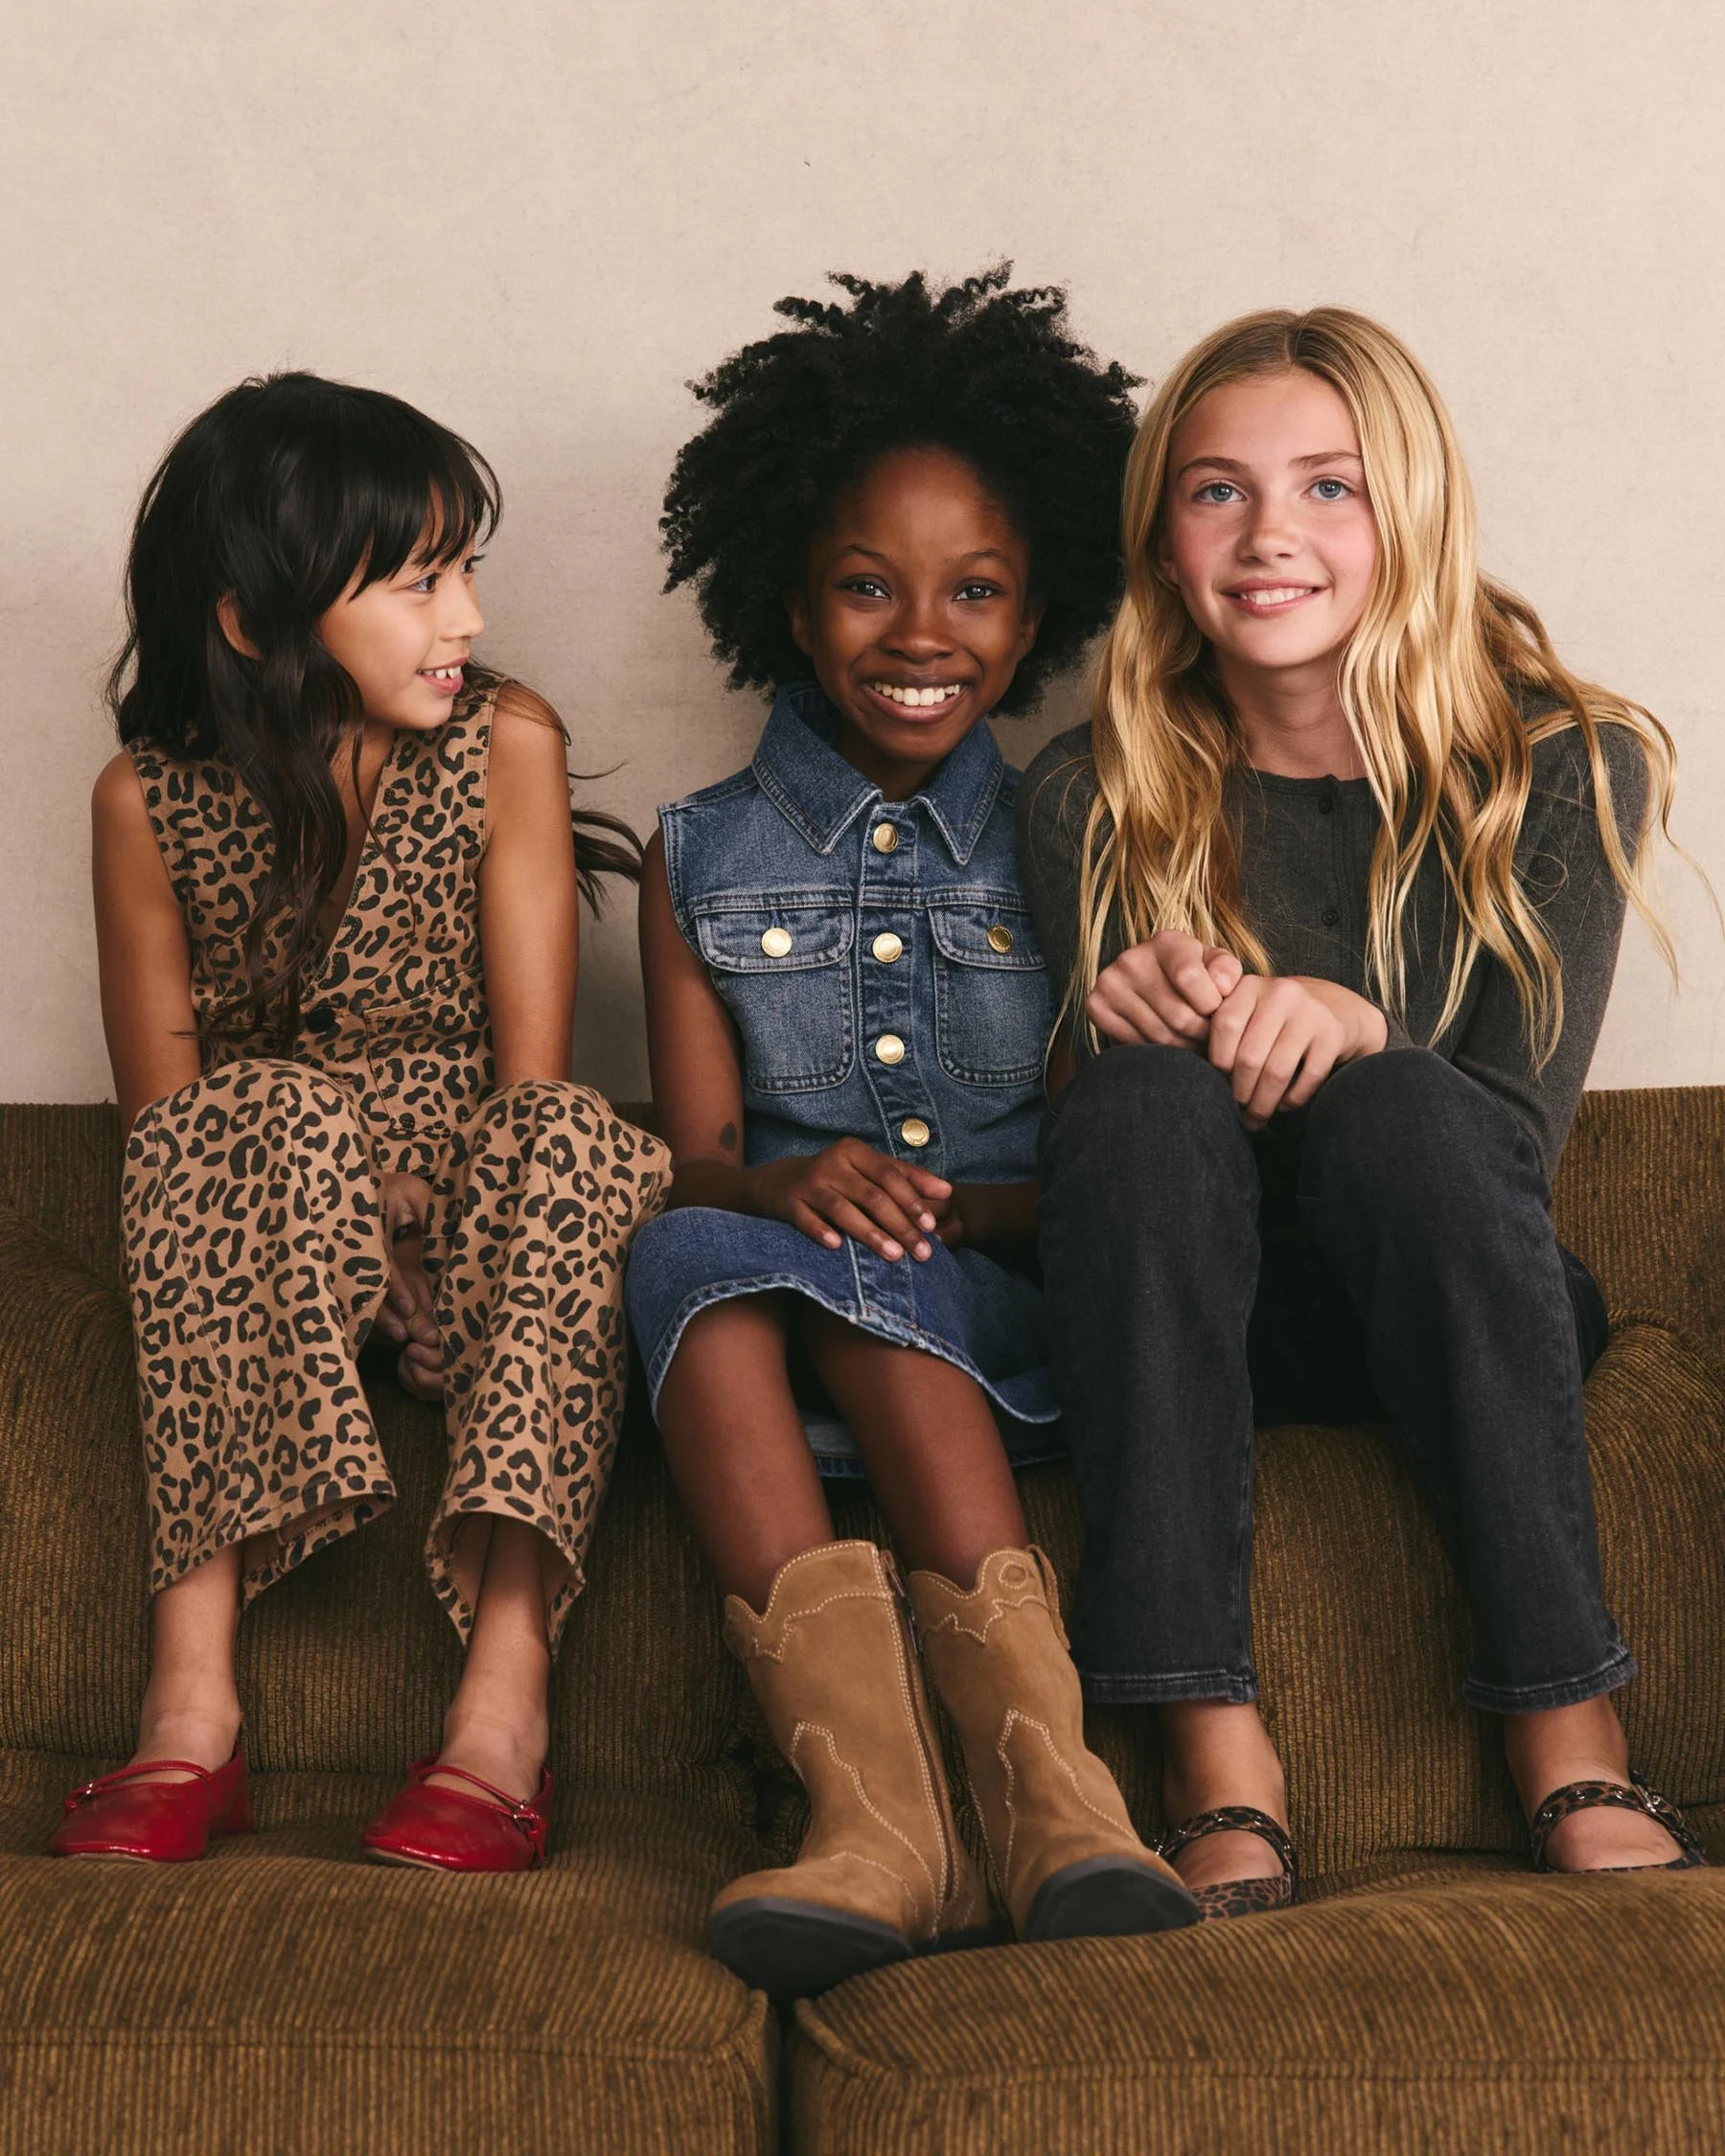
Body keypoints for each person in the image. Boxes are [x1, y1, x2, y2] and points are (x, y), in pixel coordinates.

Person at [1019, 306, 1704, 1918]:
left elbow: (1506, 1149)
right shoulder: (1085, 791)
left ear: (1413, 510)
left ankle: (1567, 1722)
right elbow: (1113, 1208)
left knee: (1402, 1107)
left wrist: (1354, 1027)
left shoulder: (1569, 761)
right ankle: (1208, 1748)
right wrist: (1123, 1026)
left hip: (1465, 1288)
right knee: (1133, 1107)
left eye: (1330, 487)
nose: (1271, 537)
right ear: (1163, 537)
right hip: (1207, 1309)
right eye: (1217, 491)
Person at [627, 267, 1201, 2000]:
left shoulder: (1079, 836)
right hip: (764, 1286)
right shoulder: (694, 850)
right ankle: (875, 1822)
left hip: (992, 1311)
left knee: (878, 1274)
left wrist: (938, 1214)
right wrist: (789, 1185)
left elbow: (1108, 1176)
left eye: (976, 592)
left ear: (1037, 623)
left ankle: (1056, 1801)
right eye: (869, 588)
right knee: (691, 1246)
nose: (920, 632)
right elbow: (694, 1154)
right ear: (794, 609)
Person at [53, 373, 668, 1873]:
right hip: (271, 1231)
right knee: (241, 1117)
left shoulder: (504, 741)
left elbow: (527, 1076)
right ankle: (190, 1713)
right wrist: (346, 1226)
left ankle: (497, 1717)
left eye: (467, 573)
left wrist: (425, 1230)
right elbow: (168, 1118)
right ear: (255, 621)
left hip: (479, 1216)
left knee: (574, 1133)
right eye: (417, 582)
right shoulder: (146, 798)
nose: (463, 617)